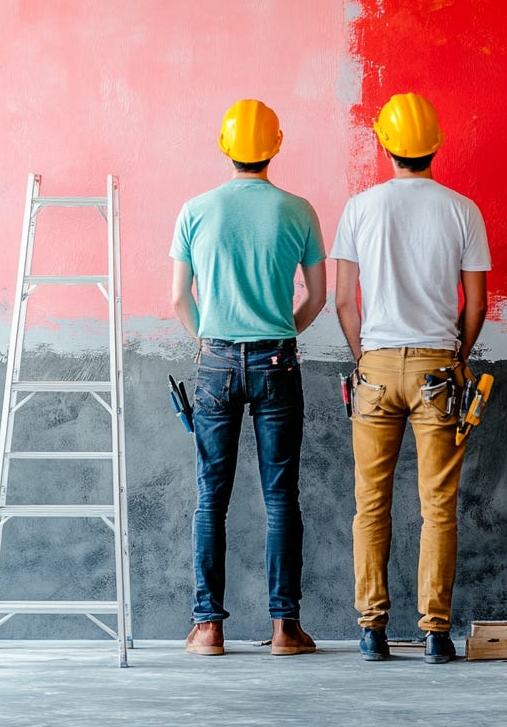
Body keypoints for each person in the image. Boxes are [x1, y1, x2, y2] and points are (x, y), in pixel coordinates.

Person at [331, 92, 491, 664]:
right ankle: (435, 633)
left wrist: (363, 357)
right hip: (437, 370)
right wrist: (458, 355)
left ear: (385, 144)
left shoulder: (360, 208)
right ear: (435, 146)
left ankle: (372, 630)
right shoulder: (462, 210)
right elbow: (475, 304)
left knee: (370, 505)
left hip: (374, 369)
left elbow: (343, 300)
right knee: (438, 505)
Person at [170, 98, 326, 657]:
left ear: (225, 146)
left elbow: (178, 299)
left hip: (214, 360)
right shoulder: (298, 210)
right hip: (277, 360)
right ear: (275, 146)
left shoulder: (195, 209)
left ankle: (208, 627)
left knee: (211, 497)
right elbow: (318, 297)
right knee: (280, 497)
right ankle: (286, 630)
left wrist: (210, 343)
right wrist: (284, 331)